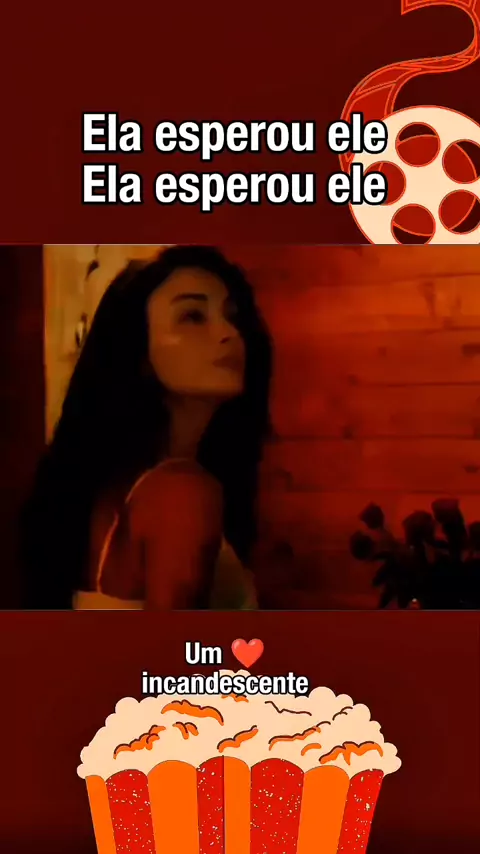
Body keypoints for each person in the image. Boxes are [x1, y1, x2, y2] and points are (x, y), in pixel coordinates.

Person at [20, 246, 272, 610]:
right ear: (139, 352)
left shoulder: (117, 486)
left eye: (232, 315)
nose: (228, 333)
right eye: (192, 316)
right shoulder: (182, 492)